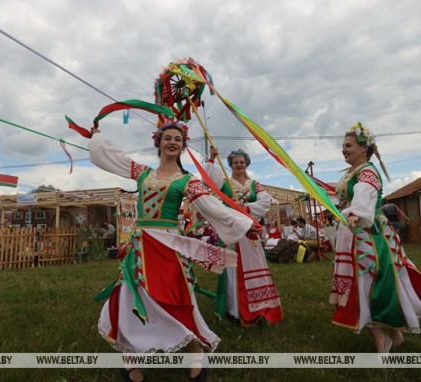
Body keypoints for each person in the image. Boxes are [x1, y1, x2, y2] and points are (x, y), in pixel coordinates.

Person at [89, 121, 260, 382]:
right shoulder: (143, 173)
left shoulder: (187, 180)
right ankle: (130, 360)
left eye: (177, 139)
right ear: (158, 143)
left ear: (182, 146)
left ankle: (193, 350)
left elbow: (211, 206)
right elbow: (114, 157)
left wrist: (244, 224)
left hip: (169, 246)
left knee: (175, 298)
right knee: (130, 299)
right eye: (167, 138)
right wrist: (98, 137)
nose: (172, 142)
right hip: (141, 245)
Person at [330, 122, 421, 353]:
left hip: (370, 234)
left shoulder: (367, 172)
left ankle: (383, 339)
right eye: (343, 146)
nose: (343, 150)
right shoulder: (352, 173)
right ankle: (392, 334)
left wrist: (355, 214)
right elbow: (351, 197)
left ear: (364, 148)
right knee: (364, 283)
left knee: (369, 282)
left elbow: (363, 199)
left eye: (348, 145)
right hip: (355, 232)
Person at [206, 147, 283, 326]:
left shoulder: (255, 184)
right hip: (232, 231)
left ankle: (258, 306)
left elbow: (264, 202)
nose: (239, 165)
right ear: (230, 165)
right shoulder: (225, 182)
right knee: (233, 268)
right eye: (235, 163)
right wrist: (211, 159)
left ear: (247, 164)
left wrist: (246, 209)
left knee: (254, 265)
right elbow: (208, 181)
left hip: (250, 231)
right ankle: (234, 309)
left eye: (242, 162)